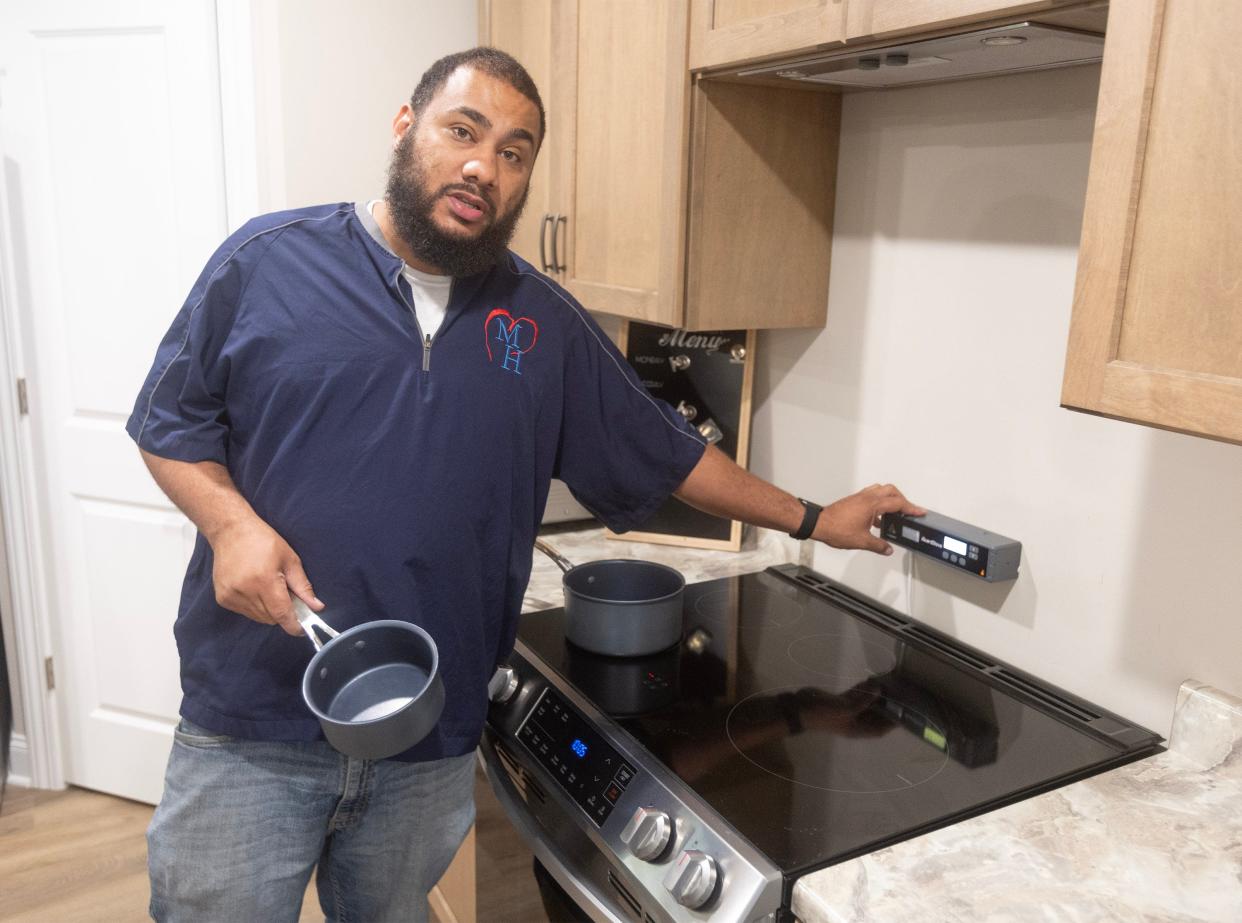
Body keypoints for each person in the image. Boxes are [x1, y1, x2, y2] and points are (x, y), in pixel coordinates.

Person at [130, 46, 923, 922]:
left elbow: (670, 454)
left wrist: (815, 517)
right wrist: (229, 525)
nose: (484, 167)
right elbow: (169, 425)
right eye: (462, 132)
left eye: (515, 152)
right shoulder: (265, 264)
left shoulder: (541, 322)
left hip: (427, 735)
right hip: (253, 720)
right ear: (406, 127)